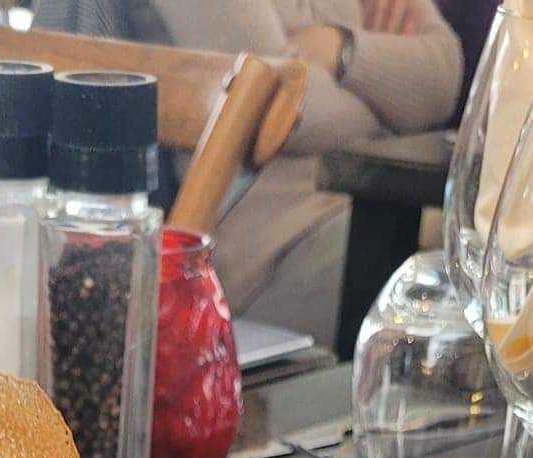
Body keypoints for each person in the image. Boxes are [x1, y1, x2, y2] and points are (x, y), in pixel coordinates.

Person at [33, 0, 463, 346]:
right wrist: (396, 106)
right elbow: (278, 106)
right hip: (263, 247)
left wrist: (341, 47)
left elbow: (444, 77)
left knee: (479, 272)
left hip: (379, 209)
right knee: (464, 293)